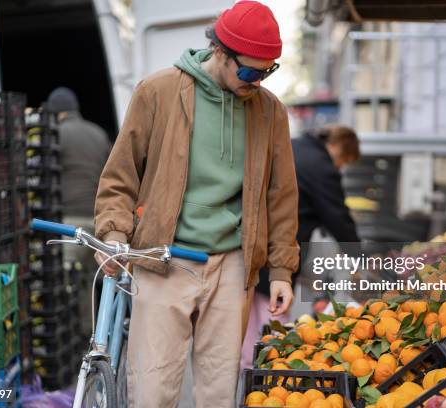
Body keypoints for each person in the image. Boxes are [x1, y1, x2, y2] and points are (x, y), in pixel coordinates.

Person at [93, 2, 299, 407]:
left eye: (267, 71)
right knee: (152, 389)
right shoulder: (158, 92)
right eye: (249, 71)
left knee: (220, 392)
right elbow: (120, 175)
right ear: (220, 52)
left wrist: (281, 270)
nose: (256, 81)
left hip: (232, 265)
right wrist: (115, 235)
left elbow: (282, 195)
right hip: (161, 259)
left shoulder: (270, 111)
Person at [241, 124, 361, 368]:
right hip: (278, 248)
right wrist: (357, 257)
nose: (340, 167)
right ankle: (267, 371)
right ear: (337, 147)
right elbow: (338, 217)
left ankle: (247, 370)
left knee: (248, 317)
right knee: (272, 316)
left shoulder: (297, 145)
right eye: (344, 161)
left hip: (250, 239)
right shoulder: (322, 167)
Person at [46, 87, 111, 334]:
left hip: (70, 223)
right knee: (91, 283)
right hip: (97, 221)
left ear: (56, 112)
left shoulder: (55, 134)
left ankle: (68, 337)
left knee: (67, 283)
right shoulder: (98, 133)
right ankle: (91, 335)